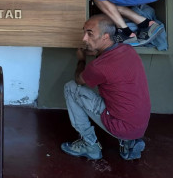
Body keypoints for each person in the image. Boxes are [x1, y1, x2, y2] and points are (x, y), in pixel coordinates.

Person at [61, 14, 150, 160]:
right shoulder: (127, 50)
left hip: (119, 125)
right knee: (120, 102)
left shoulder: (98, 67)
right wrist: (96, 52)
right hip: (139, 125)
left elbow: (79, 80)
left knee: (70, 88)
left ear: (105, 37)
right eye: (84, 32)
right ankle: (129, 142)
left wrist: (81, 60)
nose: (84, 39)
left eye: (90, 34)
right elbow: (108, 60)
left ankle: (89, 145)